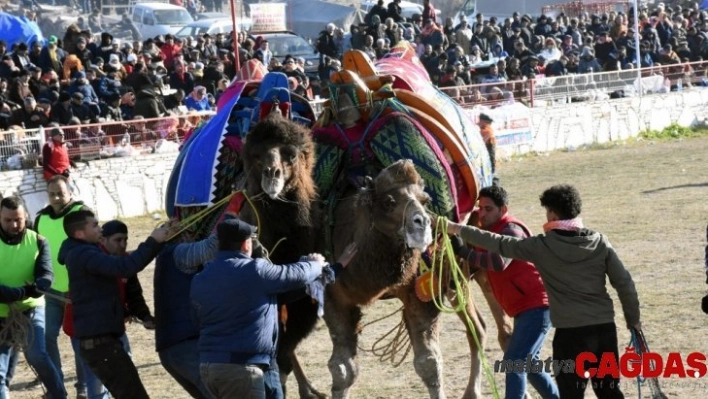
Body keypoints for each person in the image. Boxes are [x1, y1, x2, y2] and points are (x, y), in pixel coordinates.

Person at [447, 184, 641, 399]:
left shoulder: (542, 245)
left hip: (566, 332)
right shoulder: (600, 242)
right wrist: (633, 321)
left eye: (547, 211)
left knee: (556, 384)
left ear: (552, 213)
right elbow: (625, 283)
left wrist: (457, 232)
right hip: (603, 330)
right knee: (608, 390)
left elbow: (500, 247)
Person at [191, 218, 356, 399]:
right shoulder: (255, 271)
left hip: (214, 366)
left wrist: (337, 267)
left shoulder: (201, 277)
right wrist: (315, 263)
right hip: (241, 369)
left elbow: (285, 294)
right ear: (246, 244)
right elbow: (295, 275)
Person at [450, 186, 559, 399]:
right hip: (525, 308)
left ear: (503, 209)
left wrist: (464, 250)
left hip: (537, 306)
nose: (482, 213)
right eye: (480, 208)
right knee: (530, 363)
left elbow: (499, 262)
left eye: (488, 209)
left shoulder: (512, 229)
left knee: (515, 361)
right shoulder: (490, 233)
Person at [58, 210, 168, 399]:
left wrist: (138, 314)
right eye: (94, 225)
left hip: (104, 342)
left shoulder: (85, 253)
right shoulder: (84, 254)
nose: (99, 228)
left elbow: (125, 290)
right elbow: (124, 267)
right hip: (100, 345)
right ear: (79, 234)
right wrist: (154, 240)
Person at [0, 196, 66, 399]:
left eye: (18, 219)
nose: (13, 224)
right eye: (8, 220)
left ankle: (58, 395)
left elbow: (46, 272)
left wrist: (42, 283)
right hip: (1, 313)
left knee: (37, 355)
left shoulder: (38, 240)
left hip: (31, 308)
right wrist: (18, 292)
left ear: (26, 215)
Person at [34, 174, 91, 399]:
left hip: (77, 292)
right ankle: (57, 387)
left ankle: (83, 387)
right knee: (47, 338)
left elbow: (94, 243)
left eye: (61, 192)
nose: (57, 197)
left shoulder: (81, 213)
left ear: (69, 191)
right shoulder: (40, 219)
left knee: (78, 340)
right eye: (52, 194)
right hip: (49, 292)